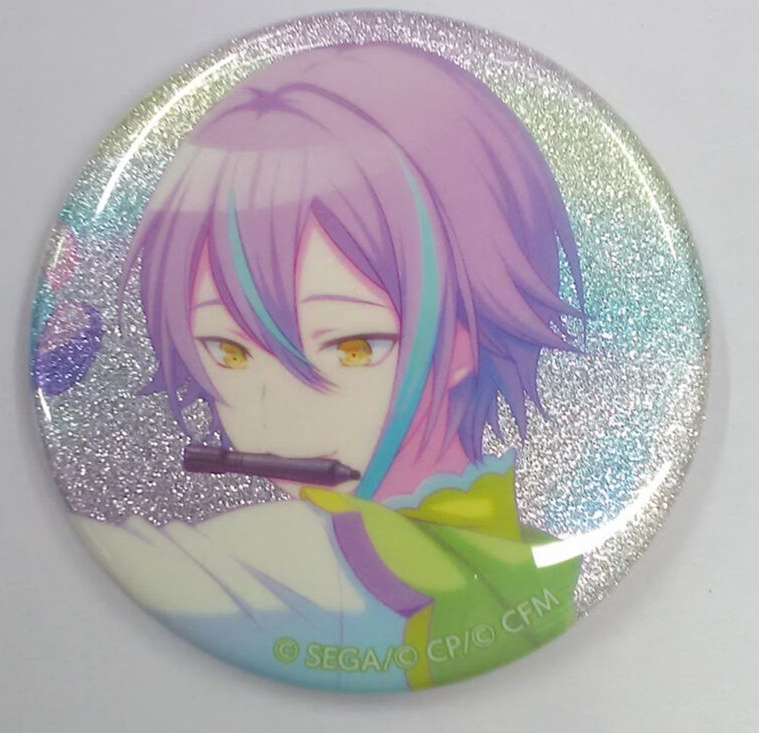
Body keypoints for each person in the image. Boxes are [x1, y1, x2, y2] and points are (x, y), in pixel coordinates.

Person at [76, 42, 584, 690]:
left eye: (353, 348)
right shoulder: (267, 558)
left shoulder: (288, 562)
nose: (273, 416)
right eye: (229, 352)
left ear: (465, 341)